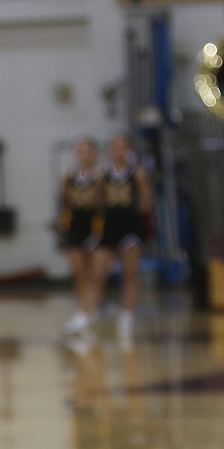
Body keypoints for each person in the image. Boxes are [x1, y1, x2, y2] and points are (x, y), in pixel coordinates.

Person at [95, 133, 153, 345]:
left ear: (128, 151)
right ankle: (91, 313)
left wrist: (136, 221)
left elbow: (145, 203)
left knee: (129, 274)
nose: (118, 151)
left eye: (122, 147)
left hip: (129, 228)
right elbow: (98, 201)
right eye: (115, 147)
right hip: (110, 228)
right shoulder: (103, 175)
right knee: (99, 272)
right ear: (110, 151)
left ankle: (126, 316)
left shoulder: (136, 174)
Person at [58, 137, 103, 339]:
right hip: (75, 226)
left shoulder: (101, 176)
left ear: (93, 153)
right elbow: (64, 202)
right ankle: (83, 311)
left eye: (87, 150)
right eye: (80, 150)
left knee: (93, 272)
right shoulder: (68, 176)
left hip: (94, 226)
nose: (84, 154)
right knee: (78, 272)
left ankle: (91, 310)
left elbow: (103, 204)